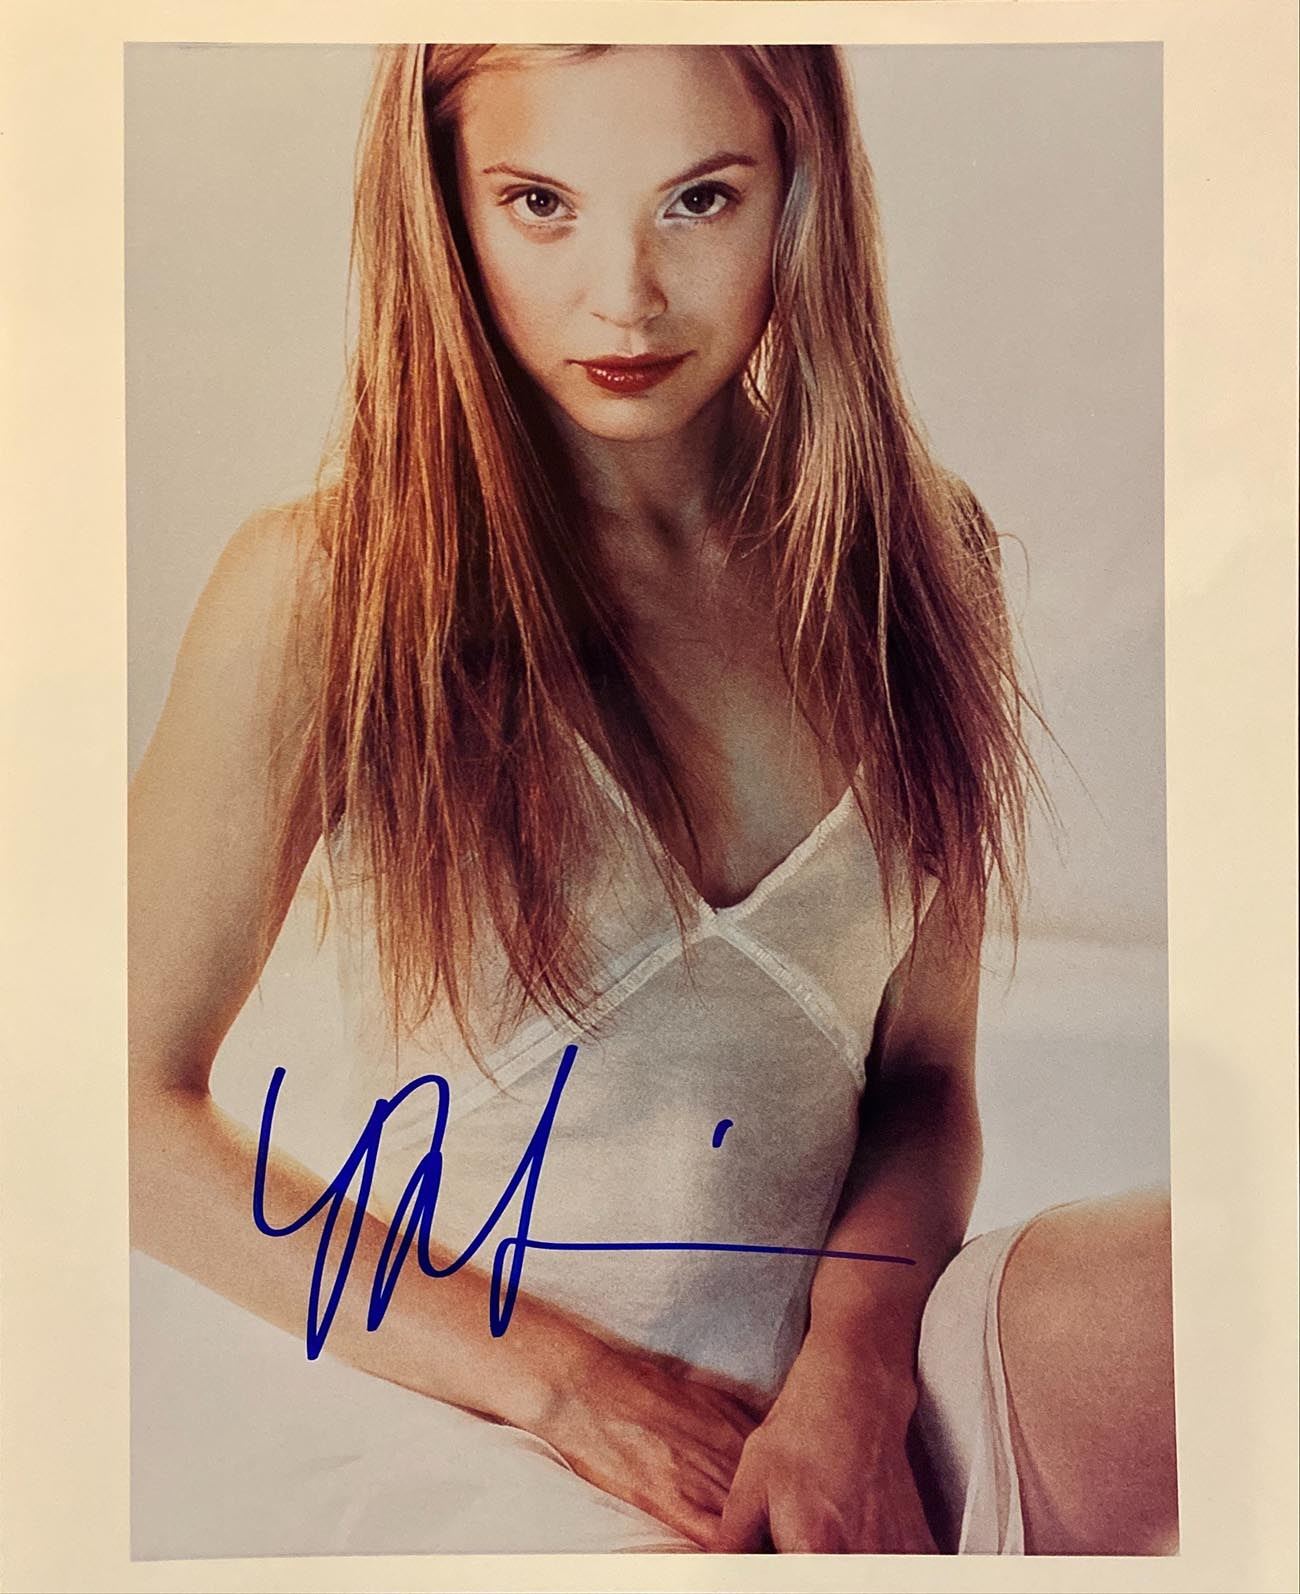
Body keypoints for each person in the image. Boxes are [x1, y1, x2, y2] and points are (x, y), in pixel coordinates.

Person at [128, 42, 1177, 1555]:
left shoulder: (920, 560)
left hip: (850, 1390)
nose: (624, 298)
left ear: (799, 188)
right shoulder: (331, 592)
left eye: (697, 199)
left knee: (1226, 1290)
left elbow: (923, 1080)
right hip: (491, 1423)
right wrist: (571, 1386)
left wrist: (853, 1377)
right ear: (444, 203)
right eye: (541, 203)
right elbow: (106, 1109)